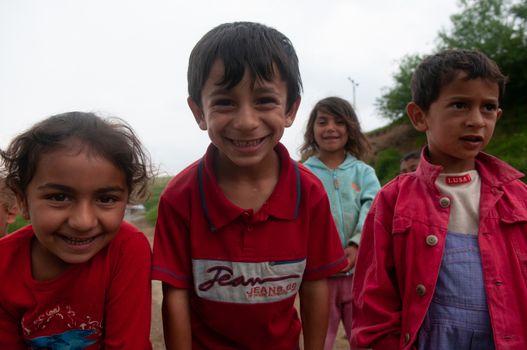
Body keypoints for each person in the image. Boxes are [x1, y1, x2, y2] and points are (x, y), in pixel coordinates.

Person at [152, 22, 347, 350]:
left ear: (291, 110)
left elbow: (315, 284)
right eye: (225, 102)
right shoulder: (179, 197)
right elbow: (176, 297)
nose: (246, 121)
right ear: (199, 112)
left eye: (265, 100)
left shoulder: (310, 194)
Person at [351, 48, 527, 350]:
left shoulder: (518, 198)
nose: (476, 120)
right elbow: (374, 303)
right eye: (460, 105)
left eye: (488, 108)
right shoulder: (392, 202)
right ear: (420, 117)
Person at [0, 112, 153, 349]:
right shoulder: (3, 264)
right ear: (21, 200)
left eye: (106, 198)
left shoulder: (126, 249)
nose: (83, 222)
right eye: (59, 197)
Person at [299, 96, 380, 349]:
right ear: (312, 130)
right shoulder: (303, 174)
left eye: (339, 121)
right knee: (319, 339)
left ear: (351, 129)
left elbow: (374, 209)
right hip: (318, 278)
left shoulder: (363, 173)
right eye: (322, 122)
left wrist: (356, 244)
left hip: (360, 276)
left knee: (364, 337)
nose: (330, 128)